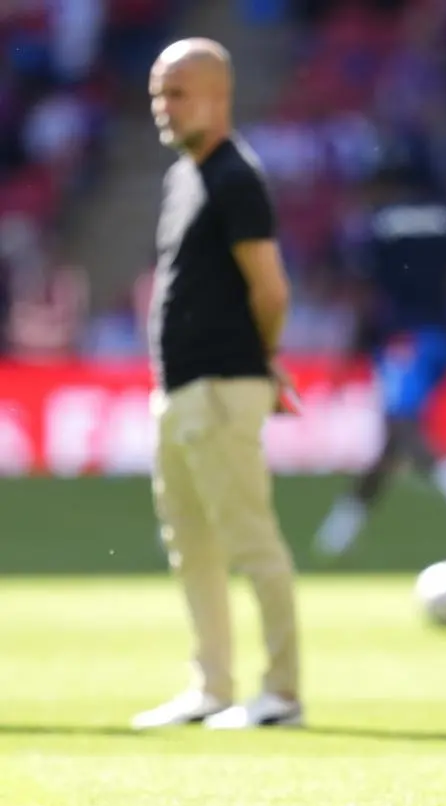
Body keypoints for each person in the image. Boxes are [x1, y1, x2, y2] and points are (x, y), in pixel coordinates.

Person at [132, 38, 302, 730]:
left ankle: (282, 692)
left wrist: (260, 359)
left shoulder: (235, 177)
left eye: (176, 92)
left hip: (222, 384)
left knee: (250, 541)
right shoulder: (185, 175)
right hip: (178, 389)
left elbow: (270, 288)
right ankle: (212, 685)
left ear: (217, 95)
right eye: (156, 94)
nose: (163, 108)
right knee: (192, 544)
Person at [312, 157, 446, 558]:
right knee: (393, 439)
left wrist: (351, 351)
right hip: (443, 337)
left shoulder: (376, 224)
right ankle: (340, 531)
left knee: (402, 427)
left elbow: (365, 292)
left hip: (403, 340)